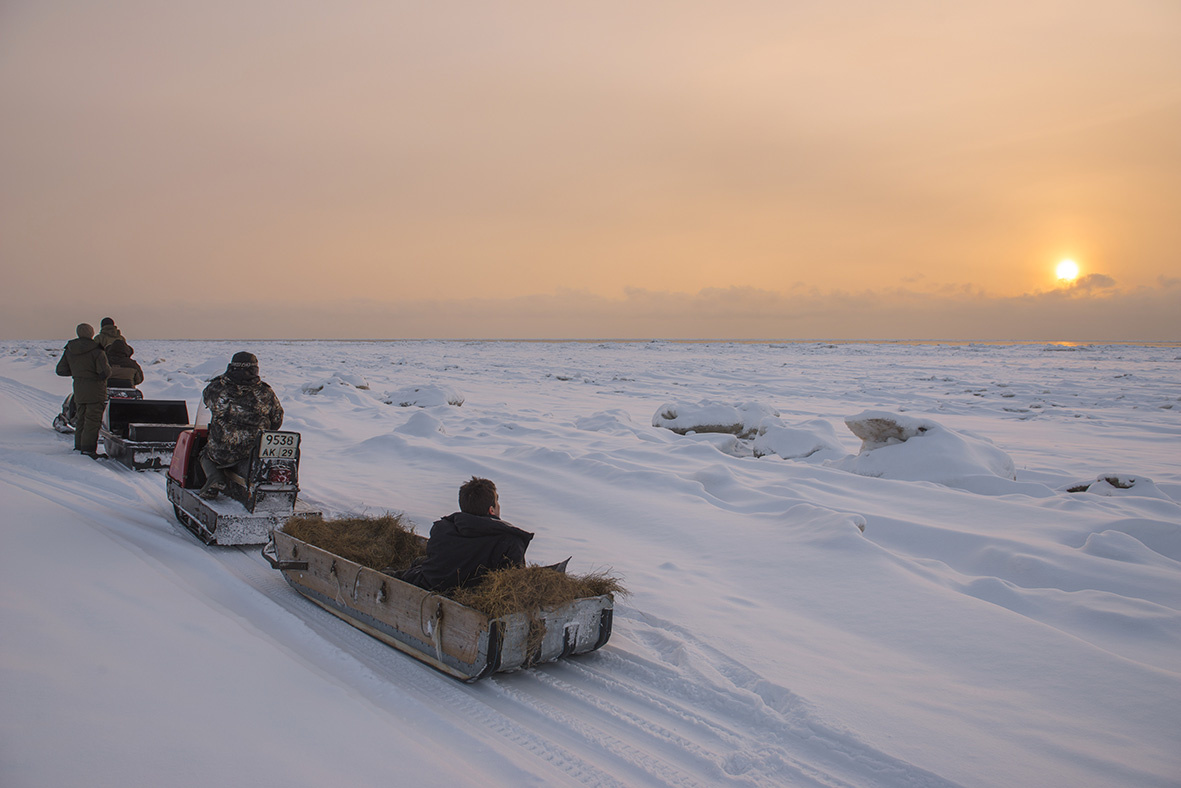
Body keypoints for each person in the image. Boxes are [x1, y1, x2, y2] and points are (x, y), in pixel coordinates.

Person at [401, 477, 534, 593]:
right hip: (473, 600)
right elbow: (514, 585)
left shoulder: (442, 529)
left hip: (429, 586)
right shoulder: (511, 542)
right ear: (491, 510)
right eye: (497, 502)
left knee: (416, 565)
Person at [198, 352, 284, 499]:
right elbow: (277, 419)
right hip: (254, 452)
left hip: (222, 451)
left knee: (204, 453)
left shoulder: (216, 388)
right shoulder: (265, 392)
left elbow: (208, 401)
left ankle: (215, 478)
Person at [55, 323, 111, 457]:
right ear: (92, 333)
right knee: (92, 420)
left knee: (81, 418)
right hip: (95, 390)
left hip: (79, 388)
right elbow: (105, 372)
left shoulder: (70, 349)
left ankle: (79, 446)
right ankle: (88, 449)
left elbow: (61, 370)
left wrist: (78, 373)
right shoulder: (97, 350)